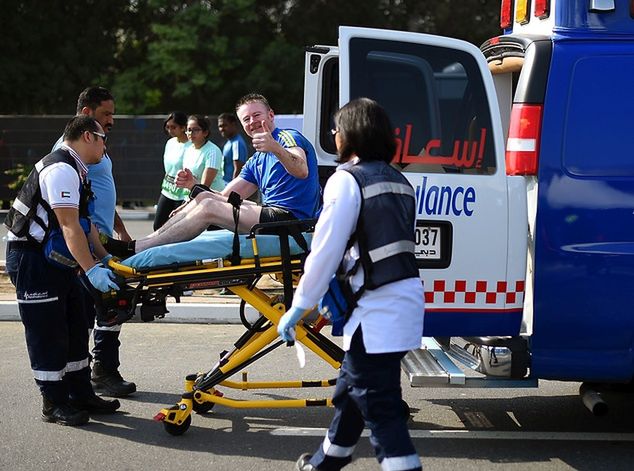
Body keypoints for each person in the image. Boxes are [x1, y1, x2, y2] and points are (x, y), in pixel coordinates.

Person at [277, 98, 424, 471]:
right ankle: (325, 463)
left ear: (350, 134)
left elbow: (325, 250)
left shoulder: (346, 180)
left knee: (380, 408)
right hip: (401, 303)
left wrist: (299, 304)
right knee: (350, 392)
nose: (334, 136)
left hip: (376, 310)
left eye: (336, 130)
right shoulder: (399, 180)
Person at [4, 116, 122, 426]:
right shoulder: (60, 170)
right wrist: (92, 269)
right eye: (102, 138)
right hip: (33, 260)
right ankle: (53, 402)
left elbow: (86, 225)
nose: (105, 145)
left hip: (56, 259)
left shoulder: (77, 170)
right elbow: (69, 226)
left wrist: (105, 258)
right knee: (47, 331)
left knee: (74, 325)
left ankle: (80, 393)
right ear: (87, 136)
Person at [102, 93, 320, 257]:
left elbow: (301, 170)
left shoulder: (287, 137)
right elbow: (226, 195)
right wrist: (193, 194)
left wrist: (276, 148)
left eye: (257, 115)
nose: (252, 122)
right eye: (246, 119)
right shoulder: (256, 160)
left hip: (293, 222)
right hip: (272, 217)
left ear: (270, 115)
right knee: (205, 200)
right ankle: (137, 245)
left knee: (208, 207)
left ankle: (135, 249)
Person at [53, 86, 136, 398]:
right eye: (106, 114)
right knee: (104, 305)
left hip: (100, 239)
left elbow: (99, 193)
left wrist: (121, 230)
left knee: (111, 305)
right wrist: (88, 257)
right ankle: (94, 372)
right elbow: (73, 207)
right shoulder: (70, 151)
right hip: (86, 243)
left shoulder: (95, 144)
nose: (111, 120)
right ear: (86, 113)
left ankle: (97, 370)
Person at [154, 111, 190, 230]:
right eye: (168, 127)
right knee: (158, 226)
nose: (170, 130)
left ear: (183, 127)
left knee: (177, 229)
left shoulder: (191, 146)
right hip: (167, 191)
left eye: (173, 127)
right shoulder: (170, 142)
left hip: (182, 195)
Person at [174, 115, 224, 193]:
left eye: (196, 130)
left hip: (211, 200)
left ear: (205, 132)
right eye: (189, 130)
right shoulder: (189, 149)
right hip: (191, 196)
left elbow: (204, 188)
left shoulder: (213, 151)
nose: (191, 133)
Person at [218, 112, 248, 185]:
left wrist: (233, 190)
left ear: (233, 125)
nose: (222, 129)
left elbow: (238, 168)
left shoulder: (236, 143)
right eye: (220, 126)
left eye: (225, 125)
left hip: (231, 185)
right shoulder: (230, 142)